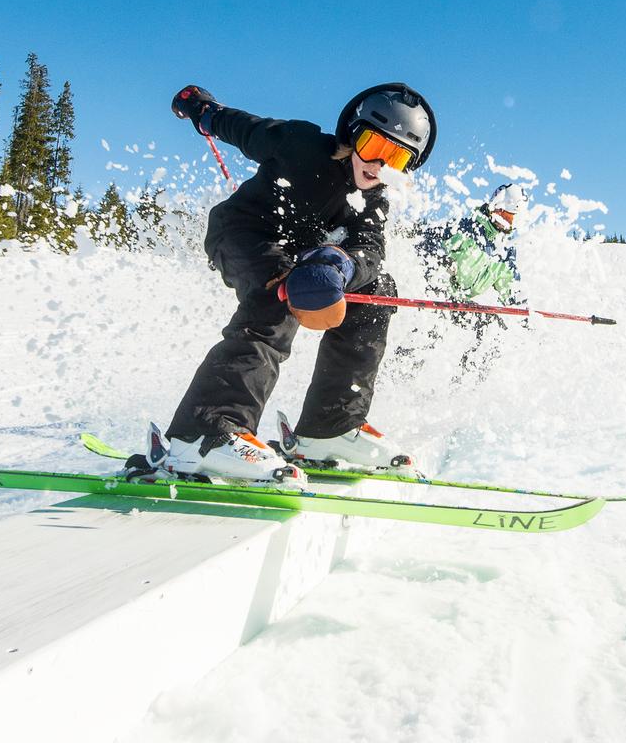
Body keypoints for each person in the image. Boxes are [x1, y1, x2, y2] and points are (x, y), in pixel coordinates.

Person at [154, 82, 438, 483]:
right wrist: (203, 110)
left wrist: (342, 266)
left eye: (396, 157)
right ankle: (206, 432)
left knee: (377, 292)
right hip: (244, 233)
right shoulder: (300, 144)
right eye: (374, 145)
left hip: (307, 259)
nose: (377, 165)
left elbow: (370, 252)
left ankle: (329, 428)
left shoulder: (374, 200)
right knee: (283, 291)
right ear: (353, 134)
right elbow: (242, 128)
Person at [416, 184, 528, 374]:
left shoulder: (504, 252)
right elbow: (426, 243)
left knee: (491, 327)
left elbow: (511, 289)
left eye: (511, 219)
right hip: (435, 293)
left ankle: (466, 384)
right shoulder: (465, 229)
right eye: (504, 215)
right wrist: (440, 264)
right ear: (494, 207)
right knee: (433, 327)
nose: (506, 223)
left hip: (458, 301)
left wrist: (525, 317)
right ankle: (402, 370)